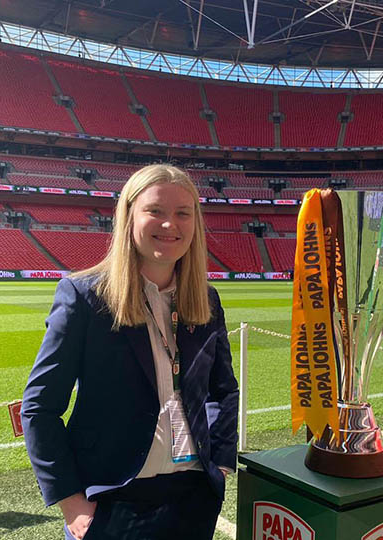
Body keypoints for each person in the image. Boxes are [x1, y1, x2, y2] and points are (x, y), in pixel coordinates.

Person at [21, 164, 239, 540]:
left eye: (182, 213)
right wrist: (72, 503)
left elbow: (223, 390)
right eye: (155, 211)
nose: (170, 225)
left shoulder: (206, 300)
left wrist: (219, 463)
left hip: (194, 495)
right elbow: (40, 407)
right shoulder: (85, 297)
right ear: (129, 216)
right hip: (111, 499)